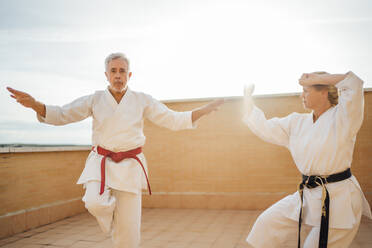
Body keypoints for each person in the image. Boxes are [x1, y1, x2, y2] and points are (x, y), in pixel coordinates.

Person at [7, 52, 224, 248]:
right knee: (93, 201)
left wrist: (202, 111)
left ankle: (122, 228)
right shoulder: (95, 99)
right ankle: (113, 218)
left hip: (130, 166)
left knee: (128, 234)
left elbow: (172, 119)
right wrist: (35, 104)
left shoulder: (142, 100)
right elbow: (64, 114)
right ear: (106, 75)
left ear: (130, 75)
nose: (118, 75)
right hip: (100, 163)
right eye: (113, 71)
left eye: (122, 71)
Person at [242, 71, 371, 248]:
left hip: (339, 200)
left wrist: (318, 78)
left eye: (306, 91)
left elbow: (353, 83)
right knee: (266, 224)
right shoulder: (296, 122)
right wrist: (247, 98)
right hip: (308, 194)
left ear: (324, 92)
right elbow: (264, 127)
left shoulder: (344, 117)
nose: (301, 95)